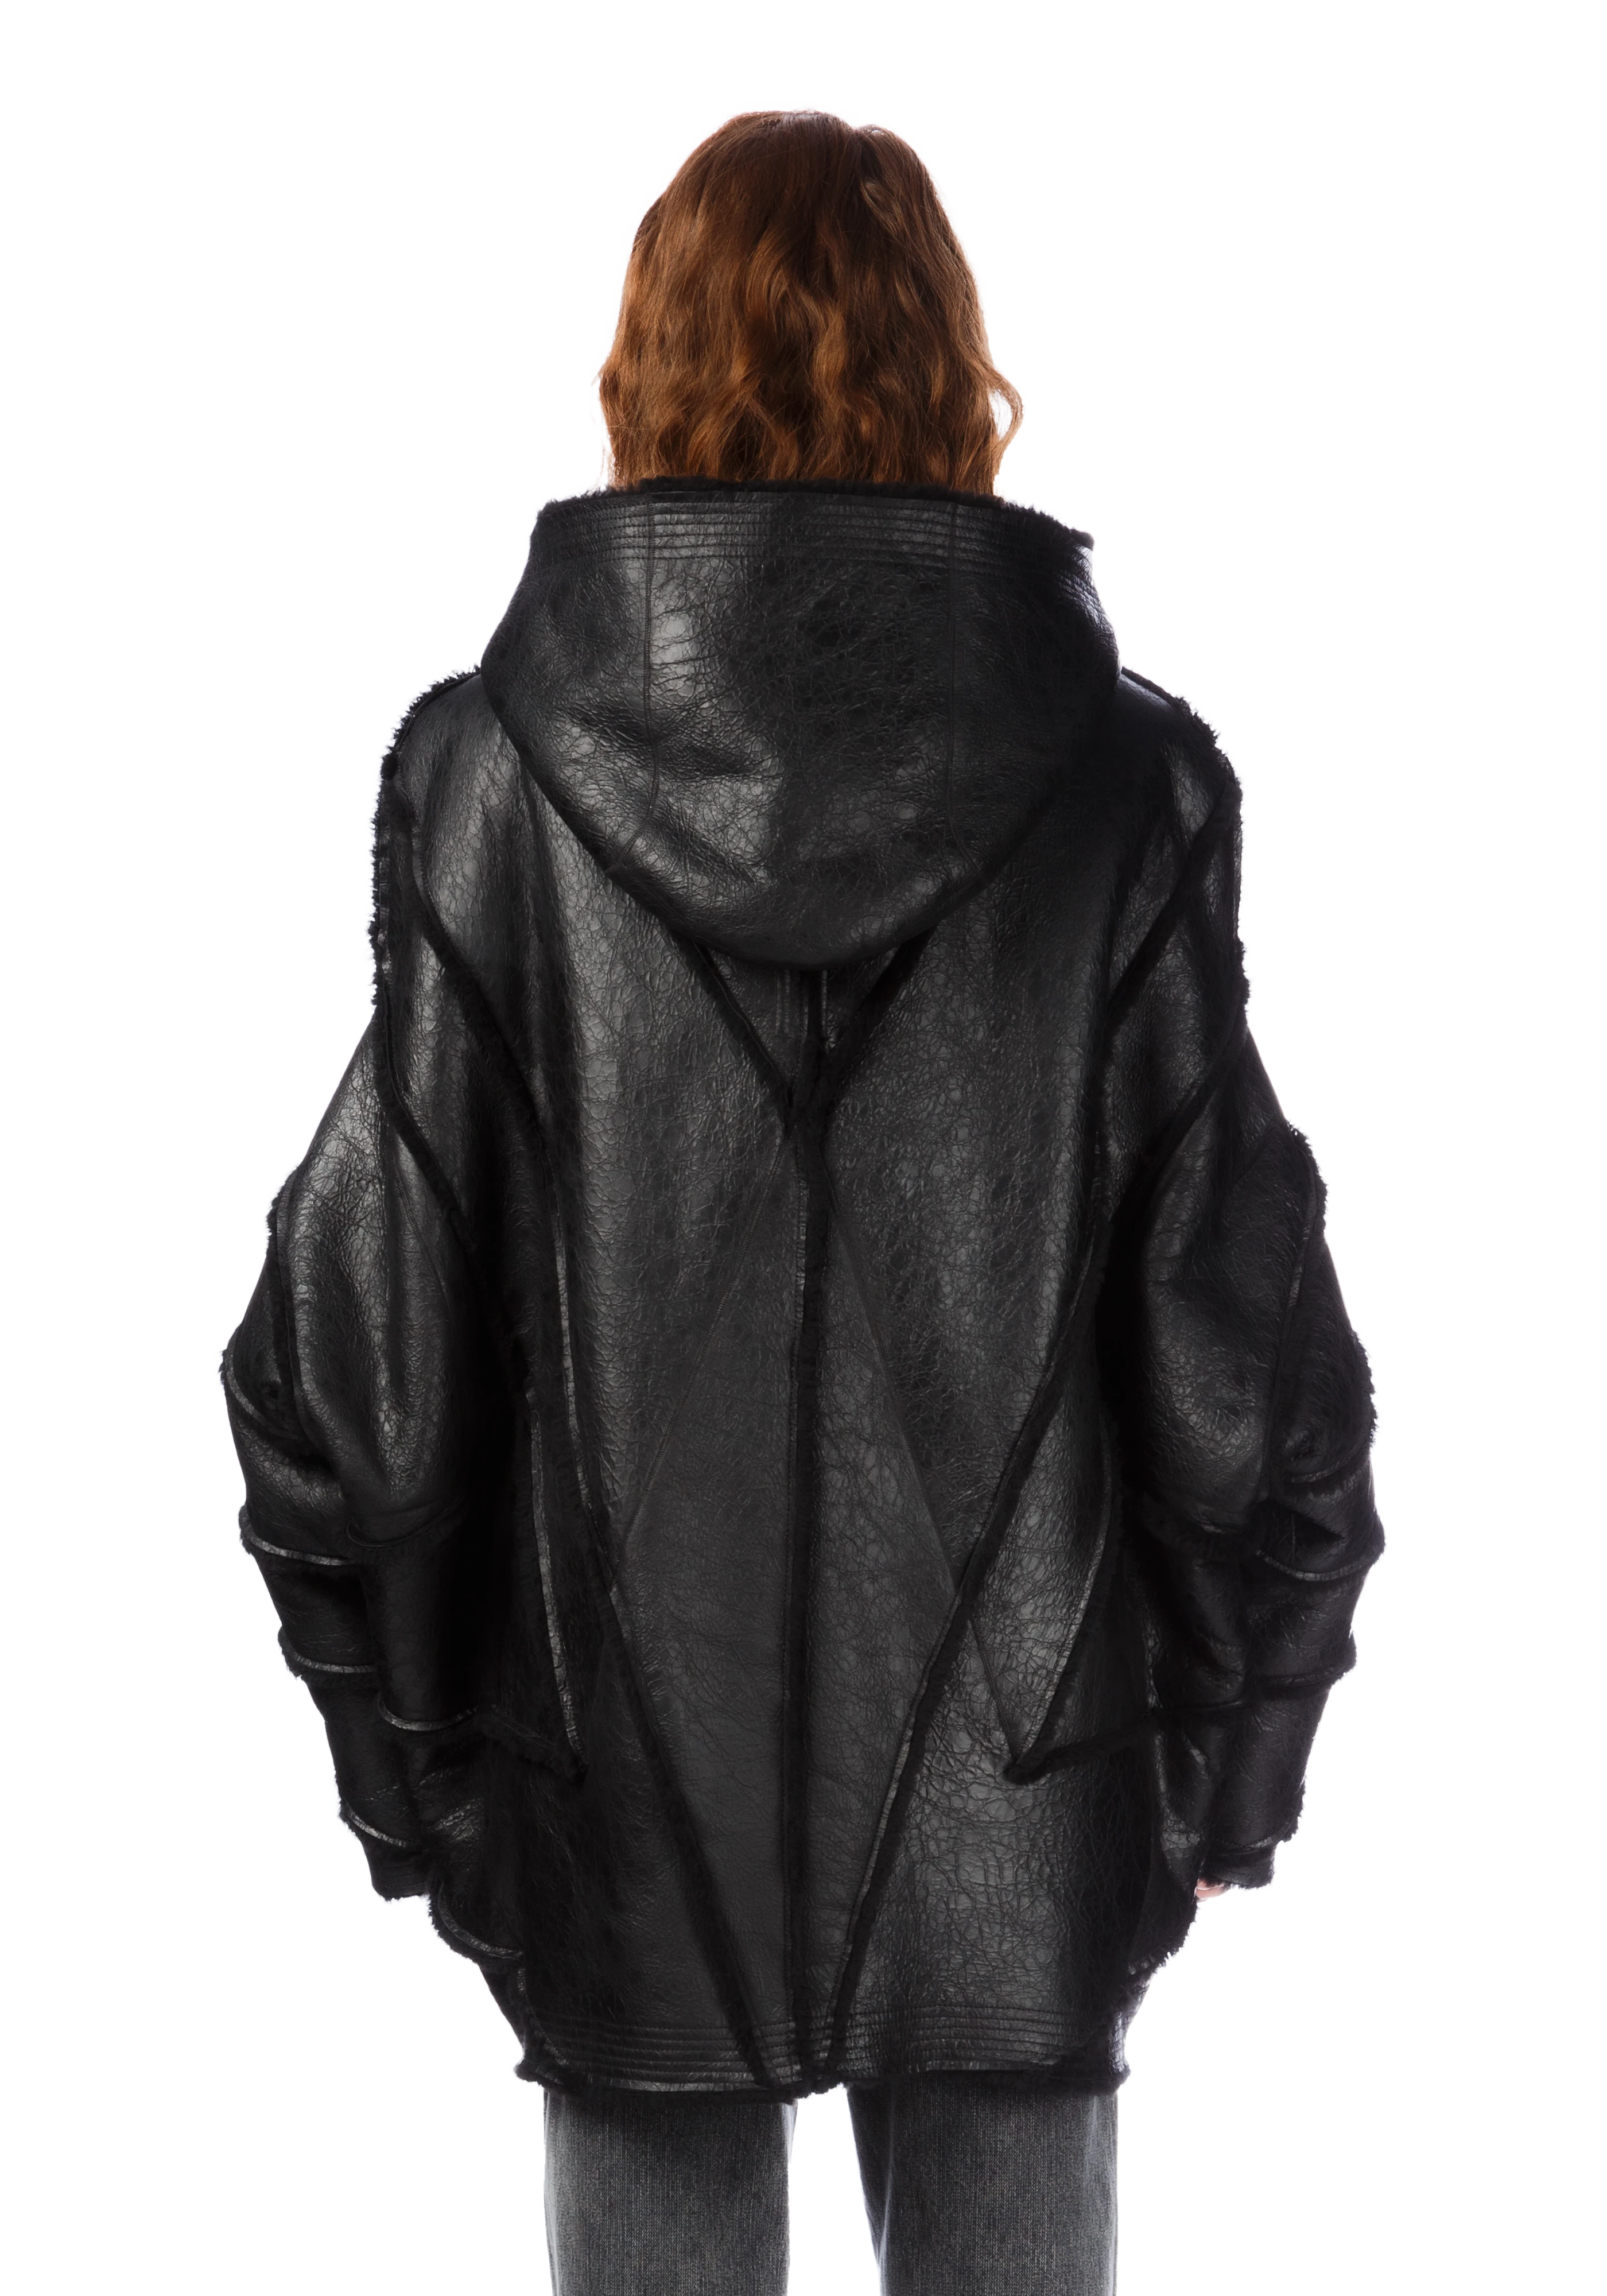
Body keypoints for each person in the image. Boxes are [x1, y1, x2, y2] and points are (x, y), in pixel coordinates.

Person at [220, 109, 1385, 2296]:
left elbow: (352, 1383)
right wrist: (1231, 1763)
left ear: (646, 357)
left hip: (617, 1820)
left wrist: (429, 1788)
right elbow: (1243, 1365)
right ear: (952, 364)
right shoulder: (1122, 789)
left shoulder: (490, 784)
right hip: (1028, 1808)